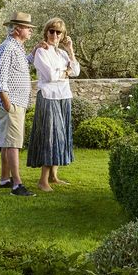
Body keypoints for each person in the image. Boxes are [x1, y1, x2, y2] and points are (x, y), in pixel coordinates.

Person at [27, 17, 80, 192]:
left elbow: (76, 71)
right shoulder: (41, 52)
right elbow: (49, 76)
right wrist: (66, 72)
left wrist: (71, 50)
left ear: (63, 35)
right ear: (46, 32)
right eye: (52, 31)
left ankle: (54, 176)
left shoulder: (63, 54)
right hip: (48, 97)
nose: (55, 35)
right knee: (50, 137)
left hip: (64, 96)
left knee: (61, 135)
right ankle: (43, 180)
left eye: (59, 32)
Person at [0, 11, 39, 197]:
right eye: (28, 28)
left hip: (15, 102)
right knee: (13, 144)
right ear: (18, 29)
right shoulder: (8, 48)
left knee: (6, 143)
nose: (30, 31)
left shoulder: (16, 48)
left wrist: (34, 51)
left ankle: (5, 179)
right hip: (11, 103)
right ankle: (17, 185)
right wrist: (7, 104)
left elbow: (21, 66)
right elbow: (0, 78)